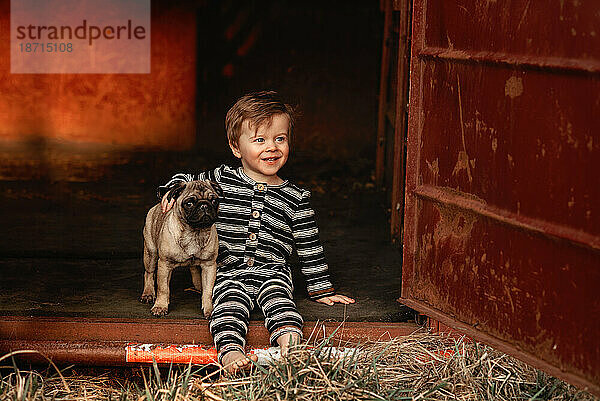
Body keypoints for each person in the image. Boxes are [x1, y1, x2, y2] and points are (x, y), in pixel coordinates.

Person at [158, 90, 355, 372]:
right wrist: (171, 190)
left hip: (273, 272)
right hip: (228, 271)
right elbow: (189, 179)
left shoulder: (296, 197)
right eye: (260, 140)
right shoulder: (221, 178)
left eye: (280, 139)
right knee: (226, 308)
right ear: (236, 147)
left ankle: (291, 349)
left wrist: (321, 289)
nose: (272, 147)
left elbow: (309, 246)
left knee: (284, 308)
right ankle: (230, 353)